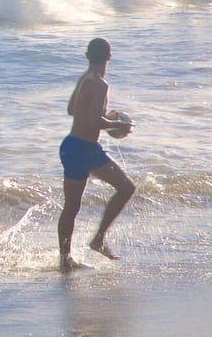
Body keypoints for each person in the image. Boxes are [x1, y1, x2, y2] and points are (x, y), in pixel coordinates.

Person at [58, 37, 136, 272]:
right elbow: (93, 121)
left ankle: (83, 248)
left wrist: (104, 118)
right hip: (80, 149)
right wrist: (117, 125)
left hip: (82, 147)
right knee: (76, 204)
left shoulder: (85, 78)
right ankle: (75, 254)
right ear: (109, 57)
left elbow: (72, 110)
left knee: (123, 188)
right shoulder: (101, 85)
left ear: (87, 56)